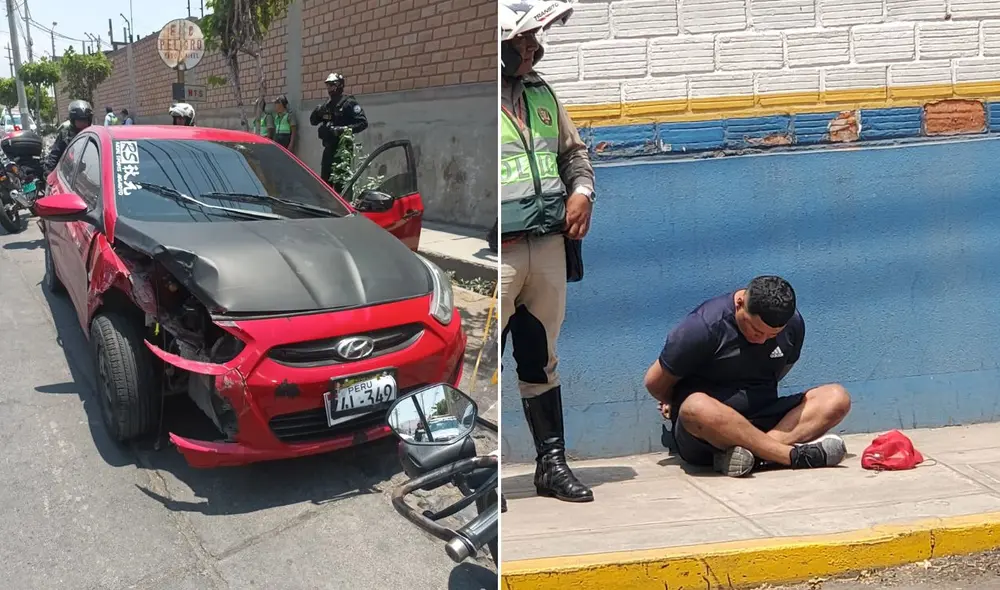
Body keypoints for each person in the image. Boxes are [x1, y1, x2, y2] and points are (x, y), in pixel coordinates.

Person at [499, 0, 596, 503]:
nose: (534, 48)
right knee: (482, 367)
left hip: (547, 247)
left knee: (541, 358)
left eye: (533, 39)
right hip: (498, 254)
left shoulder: (543, 93)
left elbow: (573, 154)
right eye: (523, 41)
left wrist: (582, 192)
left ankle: (551, 466)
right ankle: (481, 474)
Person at [643, 276, 852, 478]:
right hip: (709, 432)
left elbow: (780, 372)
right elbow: (654, 383)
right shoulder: (702, 327)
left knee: (836, 398)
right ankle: (794, 457)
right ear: (740, 303)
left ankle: (753, 457)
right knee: (695, 406)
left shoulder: (794, 325)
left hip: (765, 416)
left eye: (772, 335)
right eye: (755, 330)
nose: (761, 340)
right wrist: (674, 401)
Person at [309, 72, 368, 190]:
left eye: (332, 85)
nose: (329, 88)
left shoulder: (349, 103)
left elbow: (363, 123)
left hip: (343, 150)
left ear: (339, 85)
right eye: (328, 85)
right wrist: (317, 111)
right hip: (328, 149)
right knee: (325, 184)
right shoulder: (327, 104)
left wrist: (340, 130)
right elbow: (313, 121)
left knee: (341, 184)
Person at [43, 100, 93, 175]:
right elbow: (55, 154)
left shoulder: (93, 135)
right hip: (69, 174)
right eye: (79, 121)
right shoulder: (65, 135)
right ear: (73, 120)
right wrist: (49, 171)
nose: (83, 123)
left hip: (90, 174)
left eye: (85, 120)